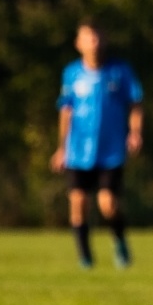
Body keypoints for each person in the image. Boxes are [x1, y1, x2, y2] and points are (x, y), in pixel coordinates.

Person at [50, 20, 143, 269]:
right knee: (78, 203)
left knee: (107, 203)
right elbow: (65, 111)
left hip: (110, 150)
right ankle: (85, 258)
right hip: (78, 150)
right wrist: (61, 148)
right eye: (89, 37)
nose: (95, 42)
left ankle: (120, 241)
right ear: (78, 43)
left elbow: (135, 103)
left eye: (99, 37)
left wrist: (134, 132)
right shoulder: (71, 73)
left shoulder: (120, 71)